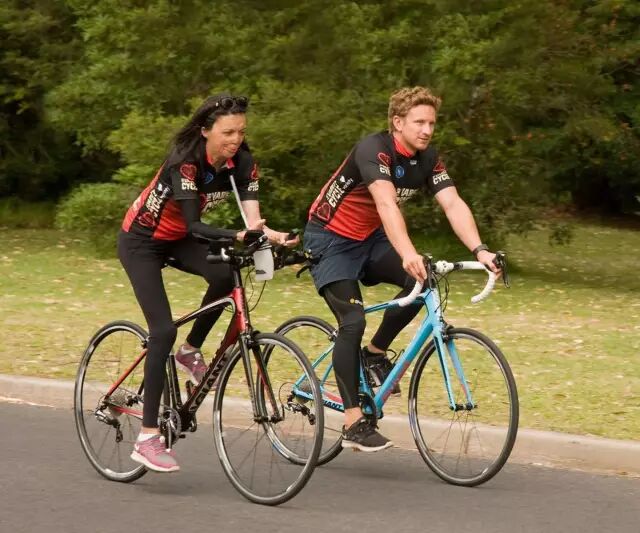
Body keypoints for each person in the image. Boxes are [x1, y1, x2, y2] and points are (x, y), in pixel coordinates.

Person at [303, 86, 501, 452]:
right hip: (330, 239)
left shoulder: (428, 159)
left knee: (422, 281)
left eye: (432, 123)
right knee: (352, 321)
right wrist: (408, 252)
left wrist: (480, 249)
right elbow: (385, 203)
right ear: (397, 122)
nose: (427, 130)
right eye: (419, 122)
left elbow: (453, 203)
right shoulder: (373, 149)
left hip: (370, 238)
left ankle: (374, 353)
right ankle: (353, 423)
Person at [118, 94, 296, 472]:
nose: (236, 139)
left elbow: (253, 223)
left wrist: (274, 237)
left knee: (224, 275)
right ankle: (147, 437)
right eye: (227, 132)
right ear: (205, 131)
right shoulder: (185, 161)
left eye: (241, 132)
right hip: (142, 241)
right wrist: (236, 236)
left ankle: (190, 350)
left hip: (179, 239)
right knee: (162, 331)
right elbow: (196, 226)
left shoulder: (242, 162)